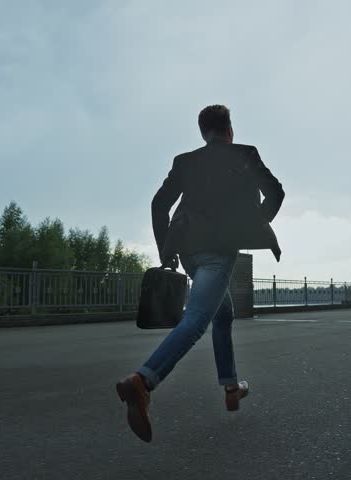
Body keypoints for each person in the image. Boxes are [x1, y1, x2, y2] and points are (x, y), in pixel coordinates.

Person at [116, 105, 285, 442]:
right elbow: (276, 191)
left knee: (223, 314)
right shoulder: (245, 154)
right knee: (195, 319)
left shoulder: (185, 161)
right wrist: (251, 224)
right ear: (229, 129)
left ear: (202, 132)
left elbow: (158, 204)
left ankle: (231, 387)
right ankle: (144, 381)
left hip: (188, 251)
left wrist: (166, 249)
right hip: (219, 251)